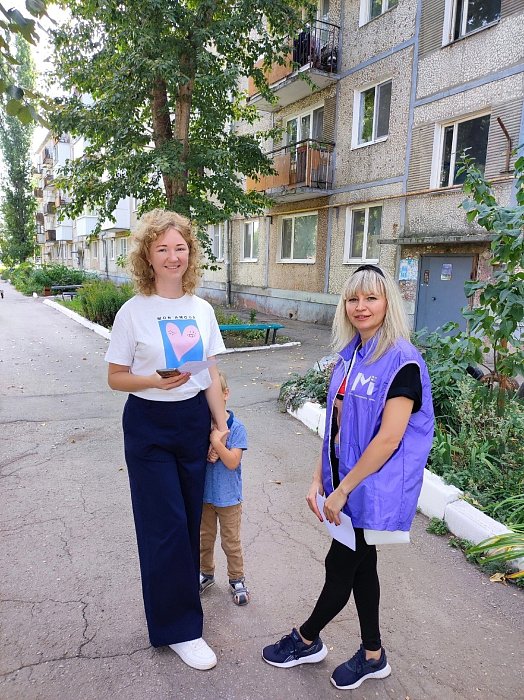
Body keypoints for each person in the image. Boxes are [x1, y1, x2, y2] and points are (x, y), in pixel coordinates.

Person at [262, 264, 434, 691]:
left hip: (368, 488)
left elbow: (389, 439)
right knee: (362, 565)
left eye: (371, 298)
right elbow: (337, 429)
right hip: (346, 483)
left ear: (388, 303)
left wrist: (341, 490)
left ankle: (306, 639)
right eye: (353, 299)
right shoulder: (351, 355)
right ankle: (373, 655)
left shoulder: (402, 362)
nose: (361, 306)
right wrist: (318, 478)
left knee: (340, 566)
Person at [104, 209, 227, 671]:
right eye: (162, 248)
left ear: (190, 253)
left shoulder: (201, 309)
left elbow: (210, 373)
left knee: (189, 521)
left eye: (180, 247)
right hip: (148, 424)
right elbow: (116, 377)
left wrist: (219, 425)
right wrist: (153, 381)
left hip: (192, 421)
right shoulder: (133, 312)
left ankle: (178, 612)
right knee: (165, 527)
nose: (173, 256)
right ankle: (180, 630)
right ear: (147, 256)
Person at [199, 370, 250, 606]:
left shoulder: (237, 428)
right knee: (204, 540)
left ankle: (236, 578)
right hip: (204, 497)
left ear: (225, 394)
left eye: (214, 395)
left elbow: (232, 462)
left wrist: (216, 444)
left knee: (231, 542)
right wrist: (208, 449)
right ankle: (206, 573)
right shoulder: (201, 426)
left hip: (229, 498)